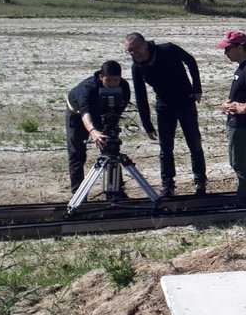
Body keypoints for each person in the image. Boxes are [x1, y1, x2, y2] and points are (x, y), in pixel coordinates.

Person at [124, 32, 207, 197]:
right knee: (165, 149)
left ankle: (200, 182)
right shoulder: (137, 66)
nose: (132, 54)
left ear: (144, 44)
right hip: (164, 107)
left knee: (194, 144)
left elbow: (190, 61)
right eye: (128, 51)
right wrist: (147, 124)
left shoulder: (168, 49)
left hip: (186, 101)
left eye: (134, 50)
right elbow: (141, 96)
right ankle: (168, 185)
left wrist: (197, 89)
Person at [64, 60, 130, 195]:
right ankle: (79, 194)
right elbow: (85, 113)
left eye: (116, 80)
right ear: (101, 77)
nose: (112, 84)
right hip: (77, 115)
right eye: (108, 80)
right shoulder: (87, 89)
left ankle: (115, 192)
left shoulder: (124, 87)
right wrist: (94, 132)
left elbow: (118, 109)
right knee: (77, 153)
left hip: (102, 114)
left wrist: (109, 126)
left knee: (110, 150)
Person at [217, 30, 246, 206]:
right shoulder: (242, 68)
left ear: (240, 47)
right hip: (237, 122)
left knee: (239, 163)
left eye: (228, 49)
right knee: (238, 162)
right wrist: (226, 105)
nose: (225, 53)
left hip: (243, 124)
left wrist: (244, 108)